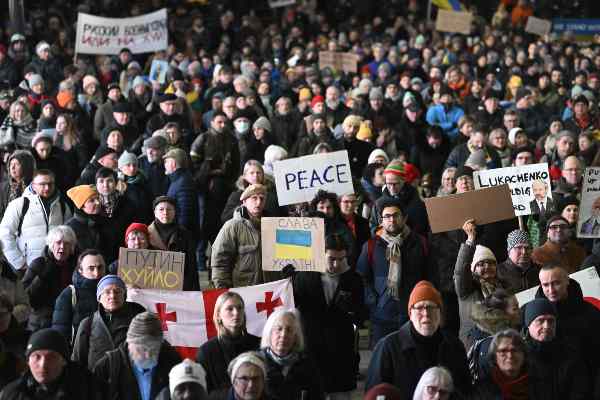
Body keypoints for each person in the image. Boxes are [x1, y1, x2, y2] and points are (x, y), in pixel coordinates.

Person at [365, 281, 471, 398]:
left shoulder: (454, 346)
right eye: (419, 307)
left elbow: (465, 391)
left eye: (431, 307)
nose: (426, 313)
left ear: (440, 313)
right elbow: (374, 393)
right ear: (410, 313)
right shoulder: (388, 347)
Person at [292, 234, 365, 399]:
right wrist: (289, 281)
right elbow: (292, 305)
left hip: (340, 349)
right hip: (312, 346)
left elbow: (362, 315)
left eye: (341, 259)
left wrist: (351, 309)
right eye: (331, 259)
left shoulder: (354, 279)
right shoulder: (304, 276)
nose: (336, 264)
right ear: (321, 254)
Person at [358, 197, 427, 344]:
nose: (392, 220)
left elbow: (430, 275)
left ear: (404, 218)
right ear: (381, 221)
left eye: (396, 215)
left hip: (414, 313)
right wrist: (374, 302)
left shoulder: (420, 243)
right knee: (383, 354)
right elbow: (362, 277)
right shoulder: (371, 245)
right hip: (382, 315)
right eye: (387, 216)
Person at [93, 311, 181, 400]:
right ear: (129, 344)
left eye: (154, 349)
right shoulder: (107, 368)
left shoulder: (173, 363)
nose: (148, 355)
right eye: (142, 349)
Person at [0, 169, 72, 272]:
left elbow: (69, 236)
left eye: (50, 184)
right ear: (33, 185)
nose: (47, 188)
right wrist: (19, 263)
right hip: (27, 268)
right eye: (42, 184)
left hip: (55, 267)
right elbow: (4, 234)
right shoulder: (19, 204)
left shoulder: (62, 206)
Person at [535, 264, 600, 377]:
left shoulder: (590, 312)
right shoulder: (534, 317)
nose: (551, 290)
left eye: (556, 283)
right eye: (545, 285)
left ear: (567, 281)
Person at [0, 328, 102, 400]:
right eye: (37, 356)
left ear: (64, 361)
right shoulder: (12, 394)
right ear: (28, 361)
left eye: (51, 357)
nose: (43, 364)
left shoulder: (89, 389)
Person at [212, 184, 281, 288]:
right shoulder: (232, 227)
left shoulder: (274, 226)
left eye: (262, 199)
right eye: (254, 198)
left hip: (272, 290)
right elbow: (220, 262)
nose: (258, 202)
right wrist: (224, 289)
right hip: (243, 290)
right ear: (244, 202)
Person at [522, 298, 591, 399]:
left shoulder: (570, 353)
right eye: (540, 321)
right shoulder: (519, 357)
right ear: (528, 325)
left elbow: (580, 390)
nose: (546, 326)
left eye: (551, 321)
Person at [72, 275, 144, 371]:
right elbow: (77, 362)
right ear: (99, 298)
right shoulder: (87, 324)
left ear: (124, 296)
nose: (112, 296)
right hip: (96, 379)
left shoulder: (139, 321)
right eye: (107, 292)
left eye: (117, 291)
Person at [196, 291, 260, 399]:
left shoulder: (258, 345)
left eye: (239, 308)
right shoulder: (206, 352)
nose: (236, 313)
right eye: (230, 309)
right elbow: (202, 392)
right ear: (218, 315)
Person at [454, 219, 507, 345]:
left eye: (491, 263)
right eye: (481, 264)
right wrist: (470, 239)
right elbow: (461, 271)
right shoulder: (467, 288)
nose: (487, 267)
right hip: (474, 343)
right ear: (473, 269)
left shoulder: (503, 287)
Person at [21, 225, 77, 332]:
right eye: (58, 243)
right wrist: (43, 275)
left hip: (69, 319)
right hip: (42, 321)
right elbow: (27, 296)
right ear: (51, 245)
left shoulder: (77, 266)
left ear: (71, 248)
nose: (62, 247)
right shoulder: (39, 264)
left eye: (67, 243)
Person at [259, 309, 324, 400]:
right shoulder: (257, 362)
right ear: (269, 333)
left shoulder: (307, 364)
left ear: (295, 337)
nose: (283, 335)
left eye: (289, 330)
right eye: (279, 329)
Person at [51, 250, 106, 344]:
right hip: (78, 350)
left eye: (100, 267)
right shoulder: (69, 294)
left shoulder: (113, 291)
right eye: (91, 268)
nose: (96, 273)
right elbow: (60, 333)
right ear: (80, 270)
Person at [147, 197, 200, 291]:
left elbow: (191, 265)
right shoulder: (146, 233)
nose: (165, 212)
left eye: (169, 209)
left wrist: (194, 291)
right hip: (153, 286)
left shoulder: (185, 234)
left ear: (175, 212)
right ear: (155, 212)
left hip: (180, 286)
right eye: (161, 209)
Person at [470, 329, 529, 399]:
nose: (510, 356)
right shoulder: (484, 388)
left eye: (515, 350)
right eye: (503, 351)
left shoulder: (536, 379)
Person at [164, 148, 199, 233]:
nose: (164, 165)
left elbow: (185, 215)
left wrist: (178, 235)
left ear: (173, 163)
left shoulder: (184, 182)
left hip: (183, 235)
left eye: (166, 162)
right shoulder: (178, 179)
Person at [496, 230, 540, 294]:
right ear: (509, 251)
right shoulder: (498, 273)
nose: (524, 252)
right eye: (519, 248)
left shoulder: (539, 270)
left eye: (527, 248)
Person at [0, 150, 35, 221]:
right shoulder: (3, 187)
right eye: (11, 164)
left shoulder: (35, 186)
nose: (12, 167)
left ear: (26, 167)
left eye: (17, 164)